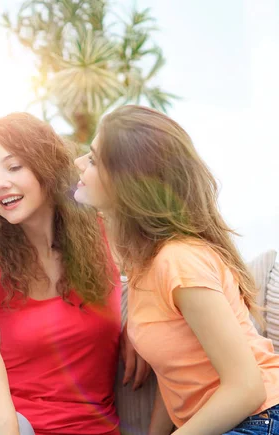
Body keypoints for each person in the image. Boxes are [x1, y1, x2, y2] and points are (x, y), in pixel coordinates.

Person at [73, 104, 279, 434]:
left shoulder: (179, 260)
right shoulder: (145, 265)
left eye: (94, 159)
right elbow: (177, 382)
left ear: (128, 183)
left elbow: (246, 388)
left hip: (262, 417)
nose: (78, 164)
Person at [0, 112, 127, 435]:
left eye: (14, 167)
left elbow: (161, 279)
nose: (0, 183)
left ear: (46, 166)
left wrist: (140, 331)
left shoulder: (109, 239)